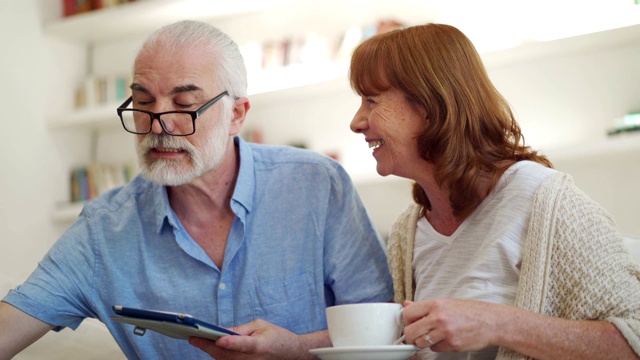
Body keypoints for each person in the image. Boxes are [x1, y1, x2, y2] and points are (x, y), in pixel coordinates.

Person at [0, 20, 393, 359]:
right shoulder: (103, 233)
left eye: (184, 104)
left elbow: (385, 331)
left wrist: (292, 350)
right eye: (142, 103)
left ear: (236, 115)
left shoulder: (316, 186)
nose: (158, 126)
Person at [348, 23, 640, 360]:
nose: (356, 122)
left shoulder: (545, 202)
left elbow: (634, 335)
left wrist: (497, 324)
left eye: (372, 101)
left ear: (429, 106)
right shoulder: (407, 232)